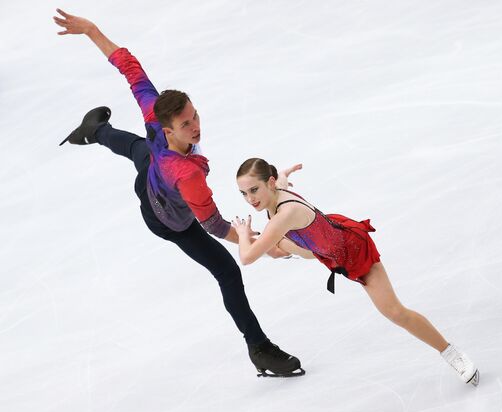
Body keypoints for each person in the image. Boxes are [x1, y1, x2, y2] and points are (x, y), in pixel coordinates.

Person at [53, 9, 304, 378]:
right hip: (169, 219)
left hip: (154, 172)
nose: (196, 126)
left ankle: (97, 131)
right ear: (169, 129)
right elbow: (214, 225)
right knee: (228, 272)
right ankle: (259, 348)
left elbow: (129, 67)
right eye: (186, 124)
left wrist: (92, 30)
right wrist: (261, 244)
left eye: (195, 116)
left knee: (140, 149)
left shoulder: (156, 116)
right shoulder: (188, 176)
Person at [232, 158, 480, 386]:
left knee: (394, 312)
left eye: (254, 190)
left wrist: (243, 234)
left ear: (270, 183)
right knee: (275, 248)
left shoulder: (285, 214)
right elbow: (282, 183)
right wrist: (284, 174)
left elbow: (246, 257)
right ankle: (282, 250)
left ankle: (450, 352)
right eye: (244, 193)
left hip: (353, 250)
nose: (250, 199)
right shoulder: (275, 193)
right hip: (320, 248)